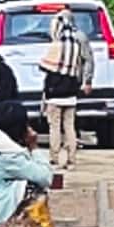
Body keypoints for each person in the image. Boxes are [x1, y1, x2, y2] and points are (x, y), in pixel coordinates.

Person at [39, 11, 93, 171]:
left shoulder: (57, 44)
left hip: (54, 93)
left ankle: (55, 159)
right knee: (70, 127)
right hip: (71, 91)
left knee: (54, 127)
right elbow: (86, 61)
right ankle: (71, 159)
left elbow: (44, 66)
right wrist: (86, 80)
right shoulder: (77, 41)